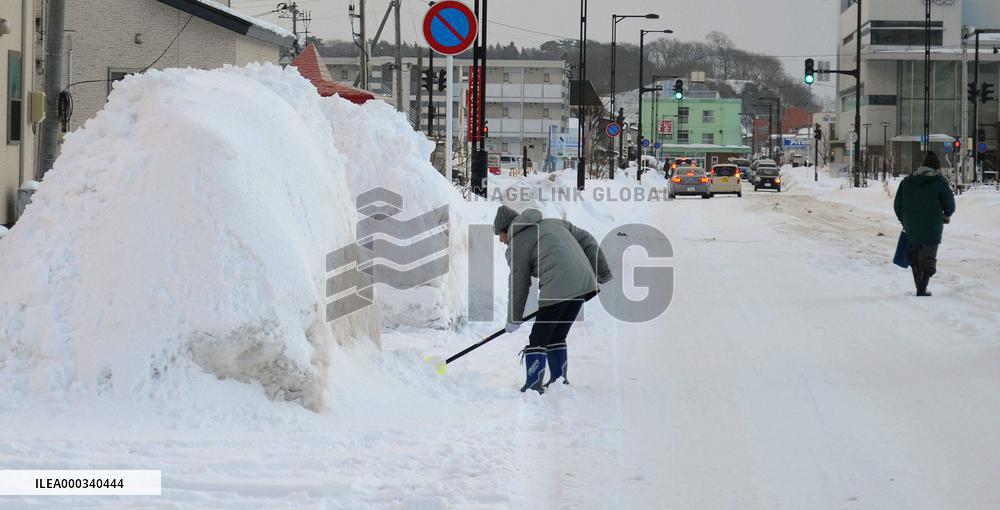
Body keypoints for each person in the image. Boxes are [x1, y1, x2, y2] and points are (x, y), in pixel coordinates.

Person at [493, 205, 612, 394]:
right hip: (582, 282)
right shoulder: (555, 223)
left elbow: (518, 283)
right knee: (556, 334)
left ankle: (533, 386)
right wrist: (602, 270)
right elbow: (587, 239)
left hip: (558, 285)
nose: (500, 240)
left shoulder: (518, 244)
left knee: (538, 338)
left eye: (500, 234)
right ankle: (558, 380)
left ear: (507, 229)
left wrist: (513, 318)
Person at [893, 151, 956, 297]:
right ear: (936, 168)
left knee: (914, 257)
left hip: (911, 228)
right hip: (932, 228)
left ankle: (920, 287)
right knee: (928, 257)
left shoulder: (907, 182)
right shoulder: (939, 182)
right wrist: (946, 216)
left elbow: (897, 205)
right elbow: (950, 205)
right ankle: (922, 289)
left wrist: (905, 220)